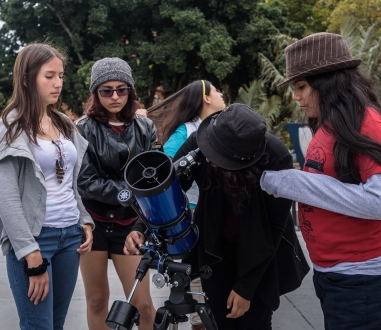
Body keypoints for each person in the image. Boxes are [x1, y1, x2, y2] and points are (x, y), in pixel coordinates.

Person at [125, 103, 310, 329]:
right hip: (216, 249)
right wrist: (139, 227)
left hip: (260, 251)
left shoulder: (276, 157)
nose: (208, 158)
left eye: (217, 157)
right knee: (220, 320)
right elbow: (169, 187)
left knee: (255, 320)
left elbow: (274, 229)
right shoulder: (203, 140)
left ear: (241, 160)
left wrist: (246, 287)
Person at [260, 32, 381, 330]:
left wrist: (293, 182)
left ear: (329, 82)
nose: (296, 96)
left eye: (301, 86)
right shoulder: (331, 124)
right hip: (332, 273)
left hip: (362, 280)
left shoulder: (366, 123)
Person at [0, 43, 94, 330]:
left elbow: (70, 180)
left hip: (69, 238)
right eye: (49, 76)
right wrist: (32, 255)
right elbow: (7, 199)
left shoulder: (64, 124)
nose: (58, 83)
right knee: (38, 326)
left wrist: (84, 220)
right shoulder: (11, 129)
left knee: (56, 325)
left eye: (61, 75)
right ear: (26, 79)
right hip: (35, 240)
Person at [77, 57, 157, 330]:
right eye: (106, 90)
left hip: (130, 226)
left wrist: (140, 218)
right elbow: (86, 181)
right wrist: (129, 193)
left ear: (130, 91)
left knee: (143, 305)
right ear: (95, 94)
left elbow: (154, 175)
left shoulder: (145, 128)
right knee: (97, 300)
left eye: (121, 89)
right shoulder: (82, 129)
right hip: (94, 224)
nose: (114, 96)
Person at [148, 79, 225, 330]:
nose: (222, 94)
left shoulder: (222, 125)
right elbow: (165, 169)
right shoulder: (187, 131)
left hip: (219, 219)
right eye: (216, 91)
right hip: (193, 220)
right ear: (205, 98)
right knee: (197, 293)